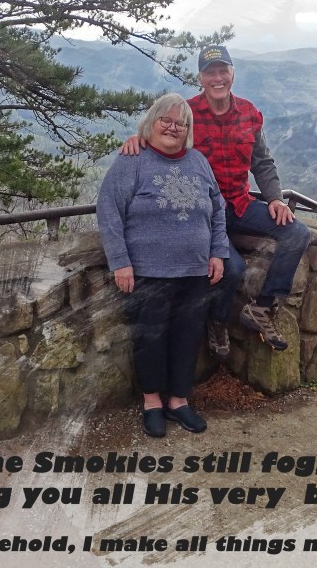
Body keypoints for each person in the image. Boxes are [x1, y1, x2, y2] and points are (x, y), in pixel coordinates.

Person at [121, 44, 311, 356]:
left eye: (223, 71)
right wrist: (139, 139)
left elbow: (262, 163)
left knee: (297, 232)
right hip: (204, 214)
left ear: (232, 74)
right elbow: (162, 137)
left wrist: (276, 199)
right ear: (201, 78)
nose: (218, 78)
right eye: (211, 72)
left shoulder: (249, 114)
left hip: (240, 204)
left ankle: (262, 307)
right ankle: (218, 321)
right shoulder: (187, 114)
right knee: (231, 269)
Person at [97, 93, 228, 438]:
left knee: (187, 338)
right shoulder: (133, 159)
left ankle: (179, 401)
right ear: (151, 123)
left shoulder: (198, 161)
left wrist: (218, 252)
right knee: (150, 338)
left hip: (195, 271)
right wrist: (120, 261)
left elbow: (218, 209)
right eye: (165, 120)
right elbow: (109, 210)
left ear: (188, 129)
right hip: (148, 271)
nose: (172, 127)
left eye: (180, 123)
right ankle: (152, 402)